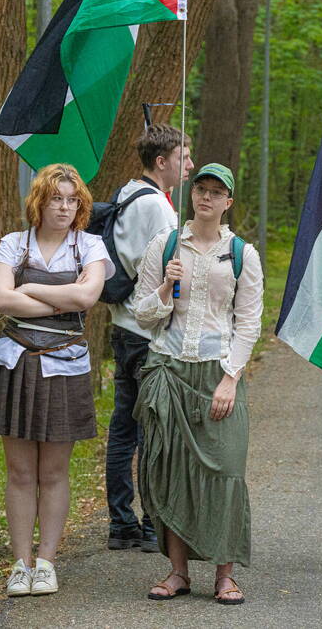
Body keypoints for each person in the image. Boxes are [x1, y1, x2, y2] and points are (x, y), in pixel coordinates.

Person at [0, 164, 113, 597]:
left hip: (64, 368)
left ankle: (47, 563)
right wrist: (60, 300)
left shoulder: (89, 246)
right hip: (15, 366)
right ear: (40, 201)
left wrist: (29, 292)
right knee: (19, 471)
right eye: (57, 198)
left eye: (73, 200)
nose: (65, 207)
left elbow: (87, 297)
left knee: (53, 472)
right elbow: (0, 298)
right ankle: (21, 564)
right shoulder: (14, 244)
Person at [131, 163, 263, 605]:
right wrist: (166, 288)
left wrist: (230, 379)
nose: (206, 197)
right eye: (200, 189)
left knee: (225, 469)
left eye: (216, 192)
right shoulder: (164, 246)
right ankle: (177, 572)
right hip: (169, 368)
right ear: (192, 195)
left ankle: (225, 574)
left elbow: (248, 324)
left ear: (228, 202)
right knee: (170, 471)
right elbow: (142, 315)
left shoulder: (242, 253)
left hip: (216, 370)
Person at [105, 123, 192, 553]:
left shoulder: (127, 193)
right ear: (162, 162)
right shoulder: (157, 207)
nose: (190, 166)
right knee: (152, 430)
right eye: (184, 157)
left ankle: (121, 522)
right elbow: (166, 270)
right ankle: (150, 523)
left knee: (124, 428)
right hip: (147, 331)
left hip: (122, 325)